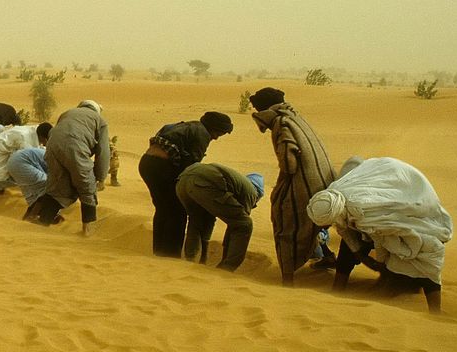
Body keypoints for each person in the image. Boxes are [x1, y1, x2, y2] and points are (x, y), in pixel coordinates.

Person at [307, 156, 453, 313]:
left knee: (423, 250)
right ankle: (338, 289)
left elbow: (380, 237)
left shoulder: (363, 210)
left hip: (411, 193)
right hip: (385, 179)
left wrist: (380, 263)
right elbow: (343, 228)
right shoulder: (333, 196)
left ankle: (435, 310)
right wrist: (360, 254)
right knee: (351, 243)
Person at [249, 87, 336, 286]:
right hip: (326, 183)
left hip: (307, 184)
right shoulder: (295, 117)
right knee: (311, 222)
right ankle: (325, 256)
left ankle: (287, 278)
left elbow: (289, 162)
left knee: (285, 220)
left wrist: (283, 183)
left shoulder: (281, 123)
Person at [138, 111, 234, 257]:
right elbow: (192, 166)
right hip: (162, 166)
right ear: (213, 128)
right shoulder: (202, 133)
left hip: (146, 164)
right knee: (178, 210)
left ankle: (158, 251)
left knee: (163, 208)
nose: (216, 138)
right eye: (218, 133)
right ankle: (170, 255)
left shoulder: (184, 126)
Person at [28, 100, 110, 236]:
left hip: (52, 147)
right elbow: (103, 151)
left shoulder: (67, 113)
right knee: (87, 188)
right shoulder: (99, 120)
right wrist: (101, 177)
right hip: (75, 147)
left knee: (57, 188)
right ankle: (87, 231)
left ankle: (43, 222)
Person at [175, 163, 264, 271]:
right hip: (205, 182)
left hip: (183, 180)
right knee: (245, 224)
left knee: (198, 219)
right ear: (258, 194)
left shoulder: (238, 182)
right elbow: (237, 225)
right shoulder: (251, 191)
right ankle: (227, 268)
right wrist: (226, 259)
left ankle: (191, 259)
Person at [0, 122, 52, 207]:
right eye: (46, 139)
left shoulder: (38, 130)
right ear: (41, 136)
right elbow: (27, 158)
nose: (46, 142)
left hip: (12, 149)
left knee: (10, 175)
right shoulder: (25, 138)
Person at [8, 147, 50, 219]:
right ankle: (31, 216)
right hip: (21, 162)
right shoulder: (61, 162)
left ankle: (27, 218)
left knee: (35, 195)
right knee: (48, 188)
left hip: (14, 161)